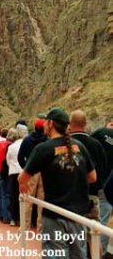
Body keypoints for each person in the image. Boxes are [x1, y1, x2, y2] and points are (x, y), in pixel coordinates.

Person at [18, 107, 97, 259]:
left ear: (50, 124)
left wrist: (23, 186)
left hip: (55, 215)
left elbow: (22, 178)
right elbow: (93, 177)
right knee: (78, 255)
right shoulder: (80, 146)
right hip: (79, 216)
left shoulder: (43, 149)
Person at [70, 110, 107, 257]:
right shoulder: (96, 144)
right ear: (85, 124)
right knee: (94, 235)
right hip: (92, 196)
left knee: (72, 237)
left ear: (70, 124)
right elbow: (102, 171)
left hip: (70, 199)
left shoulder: (64, 143)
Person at [17, 118, 47, 231]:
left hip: (31, 171)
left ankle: (24, 227)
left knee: (27, 199)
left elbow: (20, 156)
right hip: (44, 172)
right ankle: (41, 229)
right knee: (42, 201)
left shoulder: (27, 139)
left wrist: (26, 167)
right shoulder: (47, 140)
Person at [91, 117, 113, 258]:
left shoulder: (101, 132)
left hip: (96, 182)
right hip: (107, 183)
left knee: (99, 221)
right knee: (105, 220)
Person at [6, 126, 27, 226]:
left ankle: (14, 219)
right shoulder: (25, 145)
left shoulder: (11, 146)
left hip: (13, 172)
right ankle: (24, 218)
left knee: (13, 196)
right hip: (23, 172)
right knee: (24, 195)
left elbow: (8, 160)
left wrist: (12, 166)